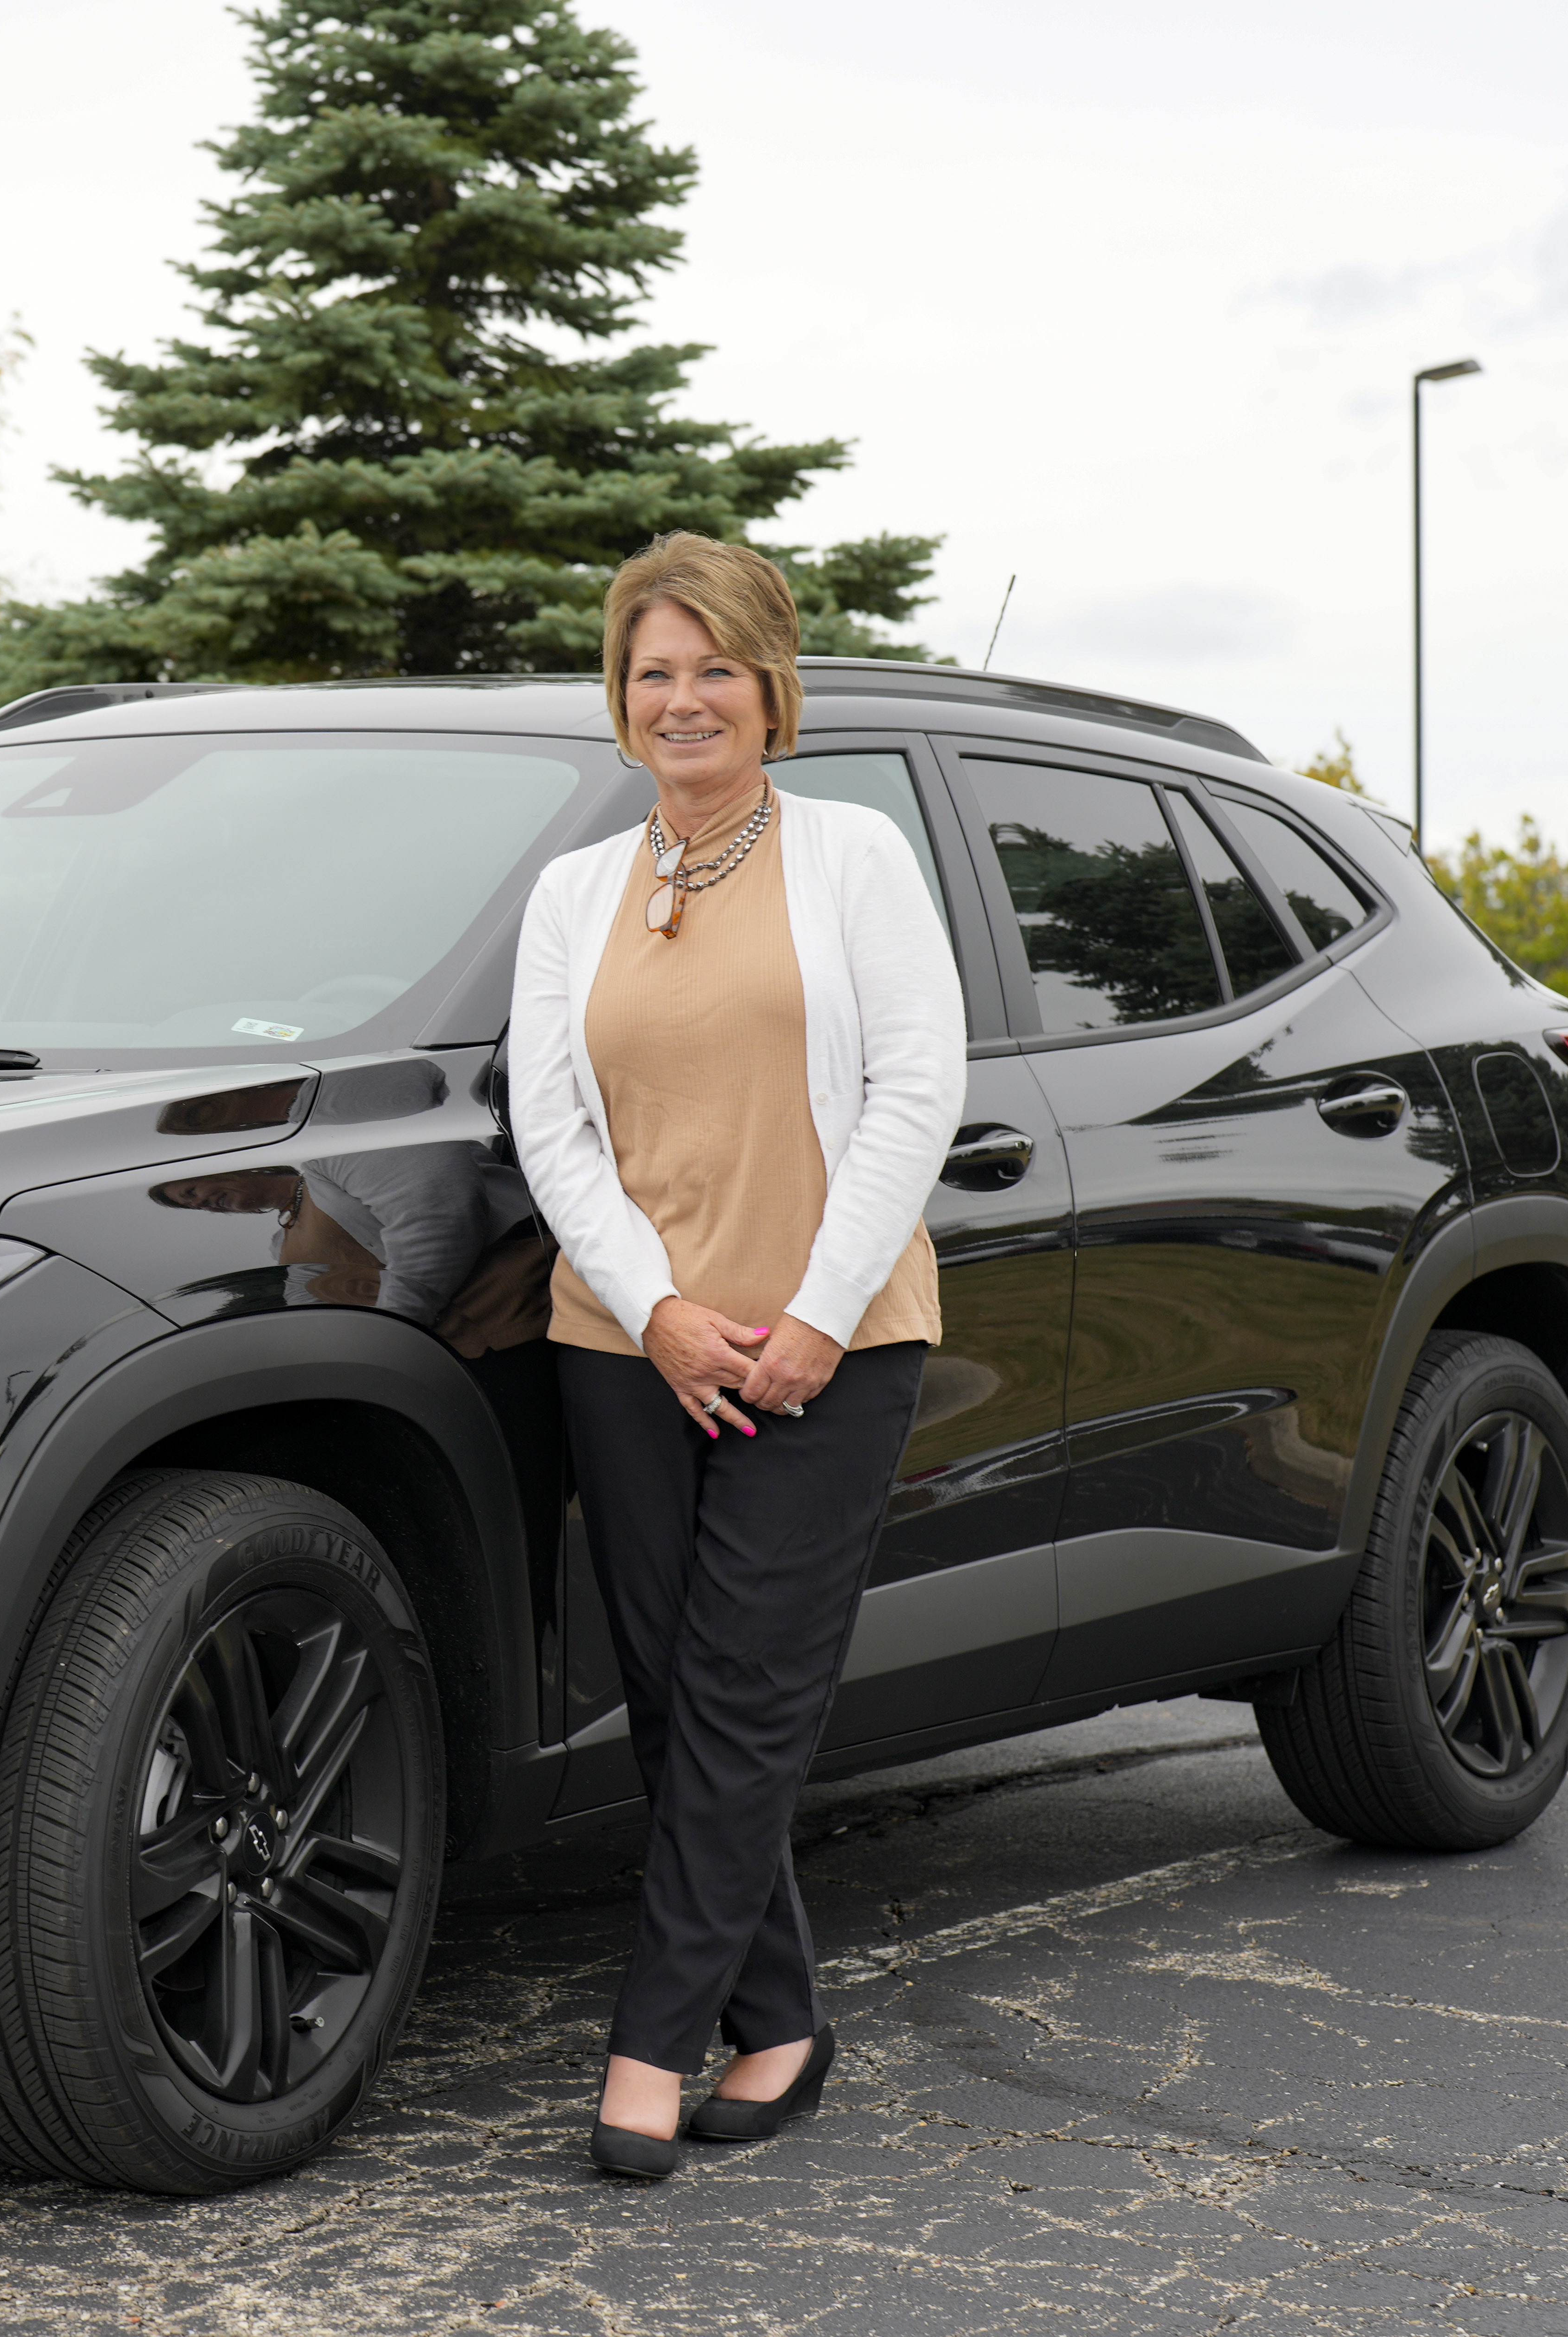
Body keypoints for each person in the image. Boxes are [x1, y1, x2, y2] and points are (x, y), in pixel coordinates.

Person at [506, 534, 964, 2179]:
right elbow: (546, 1122)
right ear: (618, 703)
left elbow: (919, 1086)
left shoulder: (852, 858)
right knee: (675, 1697)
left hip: (827, 1346)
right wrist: (657, 1310)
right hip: (627, 1346)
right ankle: (777, 2025)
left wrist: (814, 1317)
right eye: (652, 671)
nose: (681, 698)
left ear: (772, 688)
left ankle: (647, 2044)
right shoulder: (574, 893)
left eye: (712, 668)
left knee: (748, 1691)